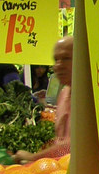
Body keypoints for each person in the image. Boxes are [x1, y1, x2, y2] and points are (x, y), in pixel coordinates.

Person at [15, 36, 73, 164]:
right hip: (59, 170)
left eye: (66, 58)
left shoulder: (90, 96)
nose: (58, 65)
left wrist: (34, 157)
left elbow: (75, 144)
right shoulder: (64, 94)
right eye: (56, 60)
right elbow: (62, 139)